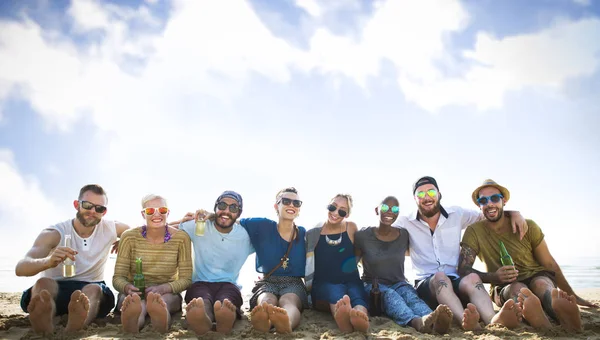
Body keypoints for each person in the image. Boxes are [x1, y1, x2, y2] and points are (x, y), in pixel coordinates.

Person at [458, 179, 598, 332]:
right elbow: (463, 269)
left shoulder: (528, 225)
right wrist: (493, 277)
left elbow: (549, 264)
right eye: (483, 200)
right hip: (503, 286)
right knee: (518, 289)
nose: (490, 203)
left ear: (504, 200)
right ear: (479, 205)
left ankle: (561, 315)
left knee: (541, 285)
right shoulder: (474, 231)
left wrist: (573, 295)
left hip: (537, 275)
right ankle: (539, 318)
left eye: (495, 198)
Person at [392, 176, 526, 330]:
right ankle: (467, 322)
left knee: (472, 278)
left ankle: (493, 320)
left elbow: (487, 214)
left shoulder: (456, 214)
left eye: (431, 191)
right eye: (420, 194)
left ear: (439, 194)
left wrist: (513, 213)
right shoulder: (405, 222)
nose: (426, 197)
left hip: (456, 284)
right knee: (440, 277)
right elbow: (383, 235)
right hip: (427, 287)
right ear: (415, 199)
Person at [15, 184, 129, 334]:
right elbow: (21, 268)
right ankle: (44, 322)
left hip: (91, 292)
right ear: (77, 205)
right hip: (56, 290)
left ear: (104, 212)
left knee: (94, 288)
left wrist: (127, 239)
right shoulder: (54, 233)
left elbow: (141, 233)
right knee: (44, 283)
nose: (93, 211)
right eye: (87, 205)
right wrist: (48, 261)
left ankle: (76, 325)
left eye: (99, 208)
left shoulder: (111, 228)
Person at [354, 196, 453, 334]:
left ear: (397, 213)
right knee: (391, 296)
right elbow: (352, 264)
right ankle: (416, 322)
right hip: (373, 286)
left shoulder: (403, 235)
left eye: (394, 209)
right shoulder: (363, 235)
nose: (389, 211)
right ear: (377, 210)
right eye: (385, 207)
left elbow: (424, 248)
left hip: (399, 282)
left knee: (411, 296)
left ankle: (434, 319)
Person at [176, 191, 254, 335]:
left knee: (226, 301)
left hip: (229, 284)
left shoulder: (245, 235)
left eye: (233, 208)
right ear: (215, 207)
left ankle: (224, 320)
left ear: (239, 213)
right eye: (222, 205)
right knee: (201, 301)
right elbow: (164, 231)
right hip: (200, 282)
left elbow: (270, 239)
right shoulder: (199, 225)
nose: (226, 211)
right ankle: (203, 320)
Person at [113, 194, 192, 333]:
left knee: (162, 302)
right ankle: (134, 322)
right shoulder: (128, 236)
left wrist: (164, 288)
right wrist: (127, 288)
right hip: (134, 293)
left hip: (167, 293)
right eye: (150, 211)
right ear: (143, 214)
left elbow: (186, 279)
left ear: (168, 213)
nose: (157, 214)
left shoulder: (181, 238)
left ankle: (160, 320)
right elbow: (118, 278)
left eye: (162, 210)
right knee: (138, 303)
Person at [241, 187, 308, 334]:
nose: (291, 205)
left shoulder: (303, 234)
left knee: (288, 301)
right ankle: (265, 321)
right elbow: (230, 220)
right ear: (276, 206)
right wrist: (210, 216)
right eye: (286, 201)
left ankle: (286, 323)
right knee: (267, 299)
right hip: (268, 280)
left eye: (296, 203)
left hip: (293, 282)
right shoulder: (263, 226)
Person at [305, 194, 369, 333]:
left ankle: (360, 317)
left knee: (357, 294)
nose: (335, 213)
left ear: (347, 214)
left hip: (350, 280)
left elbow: (359, 252)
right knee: (336, 293)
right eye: (333, 207)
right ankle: (344, 323)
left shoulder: (351, 228)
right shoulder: (313, 233)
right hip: (324, 284)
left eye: (342, 210)